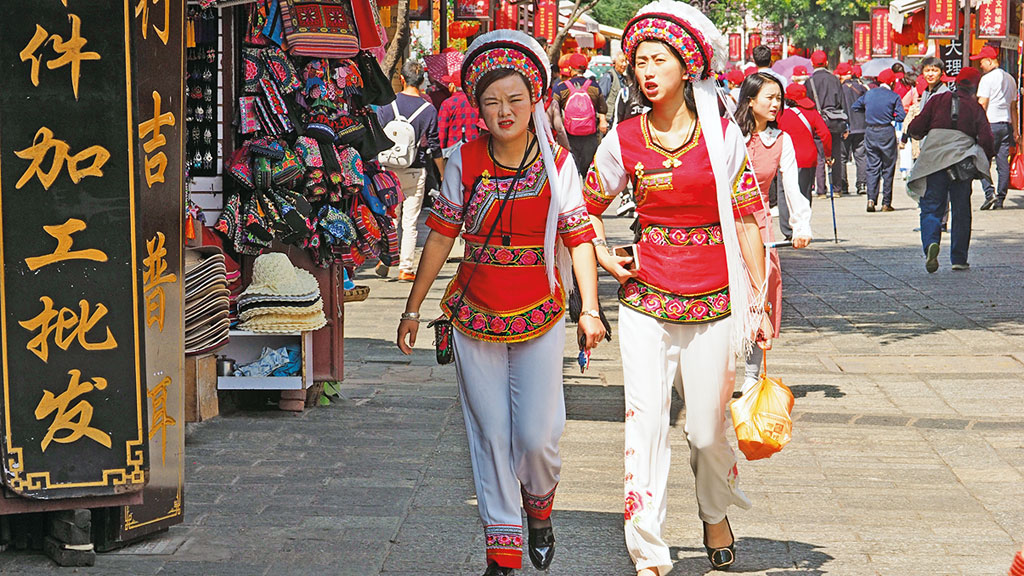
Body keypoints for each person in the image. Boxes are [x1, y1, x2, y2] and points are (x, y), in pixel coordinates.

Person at [396, 31, 606, 576]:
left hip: (539, 311)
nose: (503, 111)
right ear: (477, 108)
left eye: (514, 99)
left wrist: (590, 309)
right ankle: (502, 551)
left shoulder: (558, 162)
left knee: (538, 436)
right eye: (491, 102)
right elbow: (440, 235)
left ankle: (539, 508)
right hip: (473, 312)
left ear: (534, 99)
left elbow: (579, 234)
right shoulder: (462, 160)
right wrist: (413, 308)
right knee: (489, 432)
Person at [583, 3, 770, 573]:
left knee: (707, 430)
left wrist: (759, 303)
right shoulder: (622, 137)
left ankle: (714, 510)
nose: (646, 70)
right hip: (646, 297)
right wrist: (605, 260)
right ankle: (648, 550)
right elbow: (583, 208)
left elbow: (745, 221)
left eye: (658, 59)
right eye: (639, 61)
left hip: (716, 297)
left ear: (687, 67)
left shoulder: (723, 137)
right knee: (645, 419)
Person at [734, 73, 813, 390]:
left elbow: (792, 186)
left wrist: (801, 224)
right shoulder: (729, 137)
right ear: (750, 100)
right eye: (769, 97)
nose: (776, 104)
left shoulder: (781, 140)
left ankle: (751, 376)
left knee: (760, 293)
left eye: (779, 98)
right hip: (723, 222)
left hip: (761, 224)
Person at [906, 66, 994, 273]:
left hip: (935, 160)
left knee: (931, 207)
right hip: (962, 163)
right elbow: (987, 138)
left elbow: (915, 128)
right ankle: (959, 258)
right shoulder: (975, 108)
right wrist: (986, 160)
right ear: (975, 86)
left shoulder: (938, 100)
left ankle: (930, 244)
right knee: (961, 210)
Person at [375, 60, 444, 281]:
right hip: (415, 169)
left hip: (388, 169)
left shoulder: (387, 105)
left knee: (390, 218)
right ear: (422, 81)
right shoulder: (428, 109)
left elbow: (377, 136)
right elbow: (434, 145)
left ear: (402, 79)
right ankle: (405, 268)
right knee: (411, 221)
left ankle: (386, 258)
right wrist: (442, 174)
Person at [778, 82, 831, 237]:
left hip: (784, 159)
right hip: (807, 158)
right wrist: (828, 154)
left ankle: (787, 230)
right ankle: (801, 226)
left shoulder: (780, 114)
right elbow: (825, 134)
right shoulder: (812, 113)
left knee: (784, 194)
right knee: (803, 193)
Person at [852, 68, 905, 212]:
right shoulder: (893, 96)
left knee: (872, 166)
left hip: (870, 131)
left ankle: (871, 199)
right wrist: (890, 115)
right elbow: (901, 116)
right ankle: (886, 203)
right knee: (888, 167)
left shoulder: (869, 94)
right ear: (892, 82)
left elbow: (855, 106)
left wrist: (869, 112)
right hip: (886, 131)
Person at [973, 44, 1019, 210]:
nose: (980, 65)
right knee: (1002, 162)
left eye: (982, 62)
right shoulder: (1010, 79)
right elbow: (1013, 108)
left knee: (982, 160)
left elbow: (983, 103)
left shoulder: (987, 79)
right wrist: (1016, 130)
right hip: (1006, 125)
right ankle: (1000, 198)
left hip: (989, 125)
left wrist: (976, 125)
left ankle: (989, 193)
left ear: (990, 61)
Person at [554, 52, 609, 176]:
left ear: (570, 68)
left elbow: (553, 111)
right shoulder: (594, 87)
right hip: (590, 136)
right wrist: (602, 122)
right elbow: (602, 108)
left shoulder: (561, 88)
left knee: (571, 171)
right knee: (589, 172)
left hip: (569, 136)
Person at [805, 50, 849, 198]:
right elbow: (842, 102)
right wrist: (845, 123)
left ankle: (821, 190)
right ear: (826, 63)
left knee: (820, 156)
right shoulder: (835, 80)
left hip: (817, 121)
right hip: (834, 122)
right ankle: (836, 189)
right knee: (835, 153)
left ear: (812, 63)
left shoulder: (809, 81)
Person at [838, 61, 868, 195]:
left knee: (842, 157)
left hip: (846, 126)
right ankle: (861, 184)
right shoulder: (862, 88)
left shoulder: (840, 89)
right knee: (860, 156)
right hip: (861, 126)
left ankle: (843, 185)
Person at [437, 69, 481, 157]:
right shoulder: (475, 101)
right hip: (474, 149)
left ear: (453, 86)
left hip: (453, 152)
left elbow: (441, 132)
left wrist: (439, 154)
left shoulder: (447, 104)